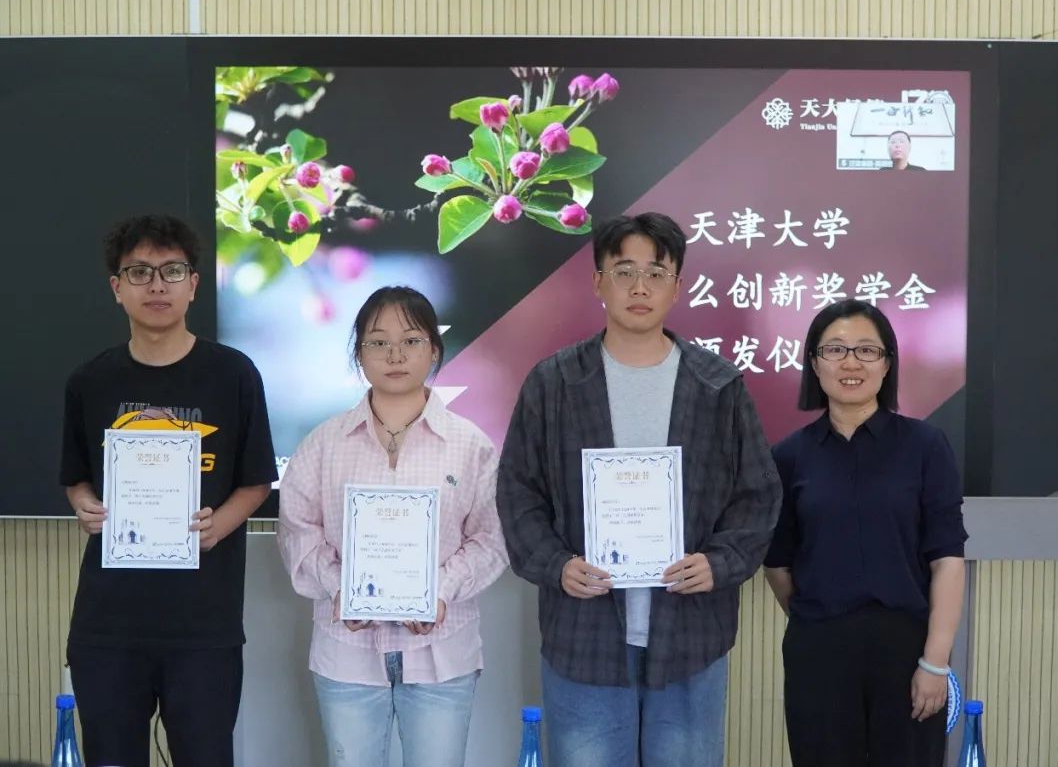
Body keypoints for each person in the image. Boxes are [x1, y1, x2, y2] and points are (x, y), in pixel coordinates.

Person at [496, 212, 782, 767]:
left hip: (690, 636)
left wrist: (719, 563)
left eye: (656, 273)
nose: (640, 287)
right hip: (584, 636)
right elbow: (518, 493)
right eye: (624, 271)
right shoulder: (553, 383)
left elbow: (758, 496)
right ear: (598, 282)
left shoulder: (717, 385)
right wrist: (556, 564)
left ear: (678, 286)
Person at [60, 214, 277, 767]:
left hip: (203, 624)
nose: (157, 285)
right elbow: (76, 477)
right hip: (109, 624)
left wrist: (217, 527)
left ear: (194, 284)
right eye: (139, 272)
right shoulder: (90, 381)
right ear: (117, 287)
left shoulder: (234, 374)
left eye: (172, 271)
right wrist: (83, 504)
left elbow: (256, 481)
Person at [277, 286, 507, 767]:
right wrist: (342, 588)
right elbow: (298, 530)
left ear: (435, 350)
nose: (395, 354)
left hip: (442, 652)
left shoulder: (471, 446)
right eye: (378, 342)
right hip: (347, 654)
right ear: (359, 354)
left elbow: (492, 538)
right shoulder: (322, 444)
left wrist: (439, 591)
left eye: (411, 340)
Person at [763, 299, 967, 767]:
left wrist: (935, 662)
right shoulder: (788, 456)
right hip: (819, 652)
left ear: (887, 363)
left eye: (866, 350)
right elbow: (778, 564)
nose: (850, 363)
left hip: (907, 651)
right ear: (814, 363)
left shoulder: (925, 446)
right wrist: (819, 621)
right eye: (835, 349)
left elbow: (947, 560)